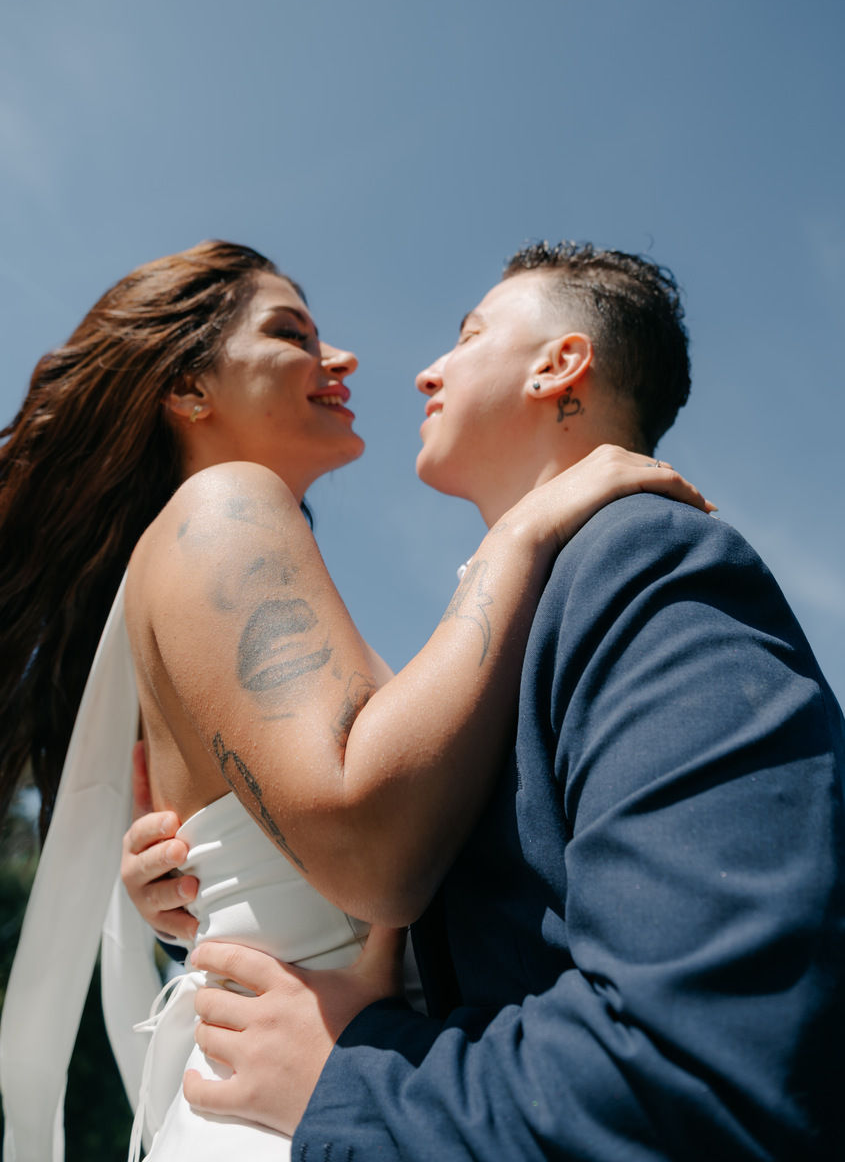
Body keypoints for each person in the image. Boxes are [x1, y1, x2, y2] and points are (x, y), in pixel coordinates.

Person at [134, 242, 845, 1159]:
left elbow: (720, 1060)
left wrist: (357, 1075)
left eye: (467, 336)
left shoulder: (648, 561)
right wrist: (208, 866)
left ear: (557, 364)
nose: (423, 368)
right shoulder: (497, 624)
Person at [0, 239, 707, 1162]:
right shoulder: (226, 504)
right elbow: (371, 856)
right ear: (189, 391)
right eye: (291, 332)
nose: (344, 360)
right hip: (294, 1112)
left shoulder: (227, 551)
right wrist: (522, 535)